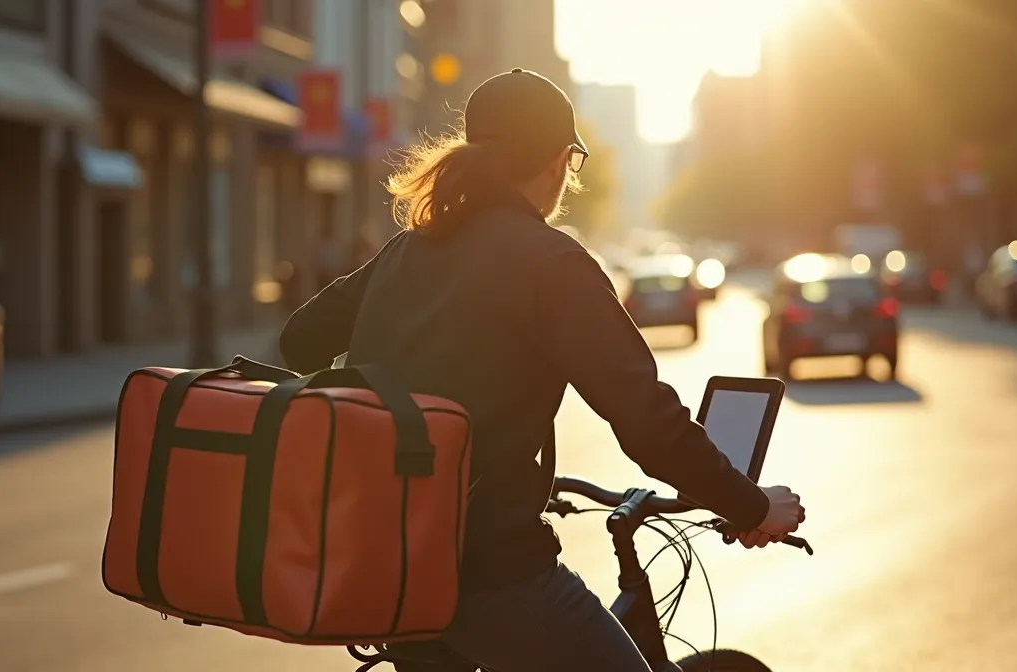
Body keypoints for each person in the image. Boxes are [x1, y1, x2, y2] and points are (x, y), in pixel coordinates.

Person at [279, 69, 806, 672]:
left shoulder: (410, 248)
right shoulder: (551, 261)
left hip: (392, 566)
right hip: (492, 576)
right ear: (560, 162)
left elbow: (299, 340)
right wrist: (752, 506)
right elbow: (647, 422)